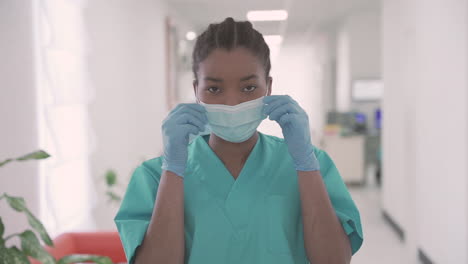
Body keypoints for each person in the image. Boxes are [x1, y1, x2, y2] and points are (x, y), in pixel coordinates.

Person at [114, 17, 363, 264]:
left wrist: (305, 165)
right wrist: (173, 170)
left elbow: (334, 260)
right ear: (196, 90)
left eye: (248, 88)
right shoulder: (154, 177)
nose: (232, 103)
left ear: (268, 87)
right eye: (214, 89)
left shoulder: (311, 165)